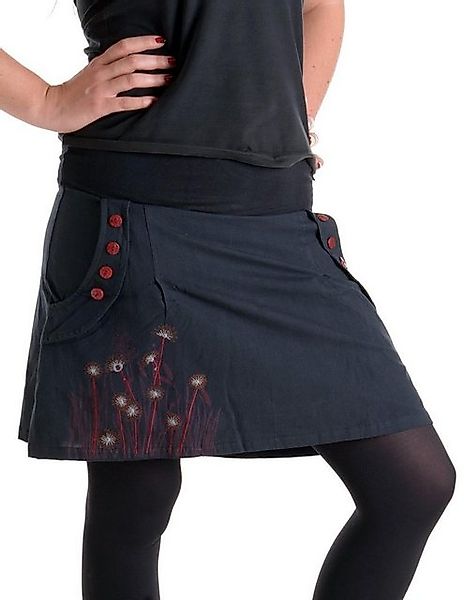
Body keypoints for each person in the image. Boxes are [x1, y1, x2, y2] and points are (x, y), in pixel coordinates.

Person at [2, 1, 456, 598]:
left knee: (414, 485)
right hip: (133, 219)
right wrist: (45, 102)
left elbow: (319, 4)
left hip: (277, 219)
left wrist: (294, 114)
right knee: (137, 493)